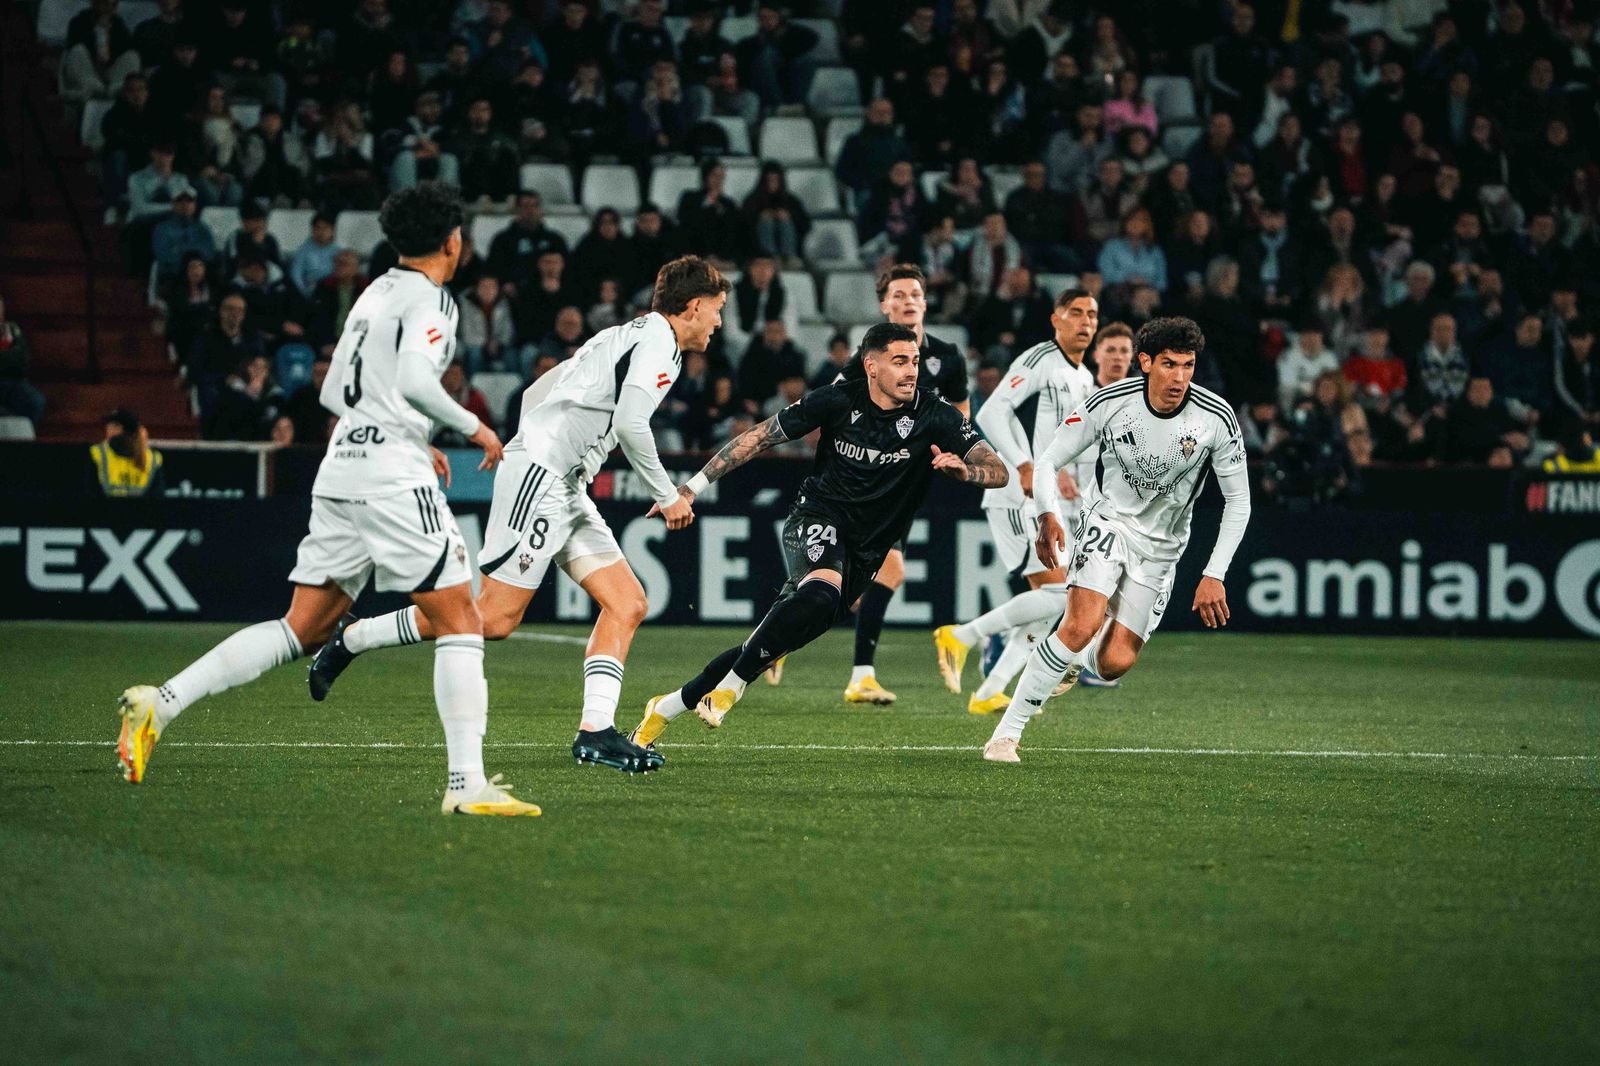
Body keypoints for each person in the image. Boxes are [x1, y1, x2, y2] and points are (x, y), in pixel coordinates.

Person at [115, 182, 536, 817]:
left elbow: (335, 390)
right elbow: (420, 381)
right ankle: (465, 786)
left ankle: (161, 702)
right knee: (462, 619)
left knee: (302, 627)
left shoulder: (373, 294)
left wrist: (406, 435)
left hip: (341, 466)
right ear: (454, 242)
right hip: (391, 478)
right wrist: (472, 427)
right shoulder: (434, 300)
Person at [307, 257, 729, 776]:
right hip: (545, 478)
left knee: (627, 602)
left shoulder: (624, 334)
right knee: (495, 618)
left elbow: (538, 393)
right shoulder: (659, 343)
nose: (719, 322)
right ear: (692, 306)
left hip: (560, 480)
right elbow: (631, 422)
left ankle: (595, 732)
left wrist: (540, 445)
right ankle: (354, 636)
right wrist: (667, 495)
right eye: (716, 309)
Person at [629, 322, 1007, 747]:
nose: (911, 371)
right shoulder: (838, 401)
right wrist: (690, 488)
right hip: (817, 518)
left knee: (768, 641)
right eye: (899, 361)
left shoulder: (934, 415)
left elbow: (999, 470)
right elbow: (758, 438)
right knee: (819, 593)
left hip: (867, 553)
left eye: (915, 361)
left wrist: (965, 471)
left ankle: (664, 709)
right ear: (871, 366)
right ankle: (732, 687)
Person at [982, 316, 1252, 763]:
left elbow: (1238, 502)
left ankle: (1070, 658)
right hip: (1108, 522)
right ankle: (1006, 735)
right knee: (1080, 623)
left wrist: (1214, 574)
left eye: (1188, 366)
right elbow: (1048, 462)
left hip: (1163, 550)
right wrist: (1048, 514)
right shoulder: (1108, 401)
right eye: (1169, 365)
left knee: (1113, 664)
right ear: (1145, 362)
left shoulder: (1216, 418)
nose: (1180, 377)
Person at [933, 288, 1098, 714]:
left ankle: (990, 690)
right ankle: (963, 635)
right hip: (1016, 495)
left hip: (1044, 497)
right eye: (1075, 312)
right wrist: (1024, 465)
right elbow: (990, 413)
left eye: (1091, 315)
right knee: (1061, 594)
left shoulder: (1081, 376)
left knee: (1052, 601)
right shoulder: (1040, 359)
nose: (1085, 322)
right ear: (1056, 318)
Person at [821, 264, 970, 705]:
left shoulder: (948, 356)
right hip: (864, 480)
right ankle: (860, 675)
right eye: (899, 295)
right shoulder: (868, 357)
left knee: (849, 585)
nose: (908, 301)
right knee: (887, 570)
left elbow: (961, 414)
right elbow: (832, 408)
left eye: (916, 294)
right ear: (884, 304)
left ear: (926, 302)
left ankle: (779, 637)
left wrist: (955, 449)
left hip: (908, 482)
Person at [90, 409, 164, 497]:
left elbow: (90, 493)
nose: (107, 429)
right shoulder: (152, 458)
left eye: (111, 425)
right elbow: (157, 498)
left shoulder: (97, 453)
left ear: (120, 429)